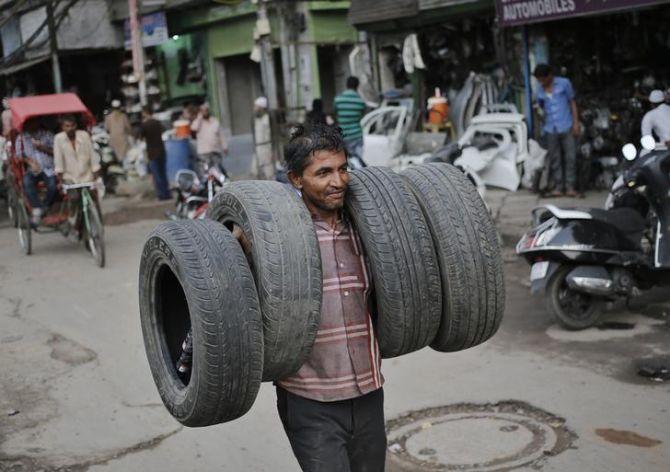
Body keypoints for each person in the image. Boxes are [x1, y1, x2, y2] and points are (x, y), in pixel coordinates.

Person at [278, 123, 386, 472]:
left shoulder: (368, 229)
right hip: (311, 400)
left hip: (369, 391)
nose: (337, 181)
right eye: (323, 173)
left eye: (343, 169)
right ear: (296, 179)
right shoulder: (276, 239)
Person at [533, 64, 580, 197]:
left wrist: (576, 123)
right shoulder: (539, 90)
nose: (541, 82)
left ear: (550, 76)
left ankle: (570, 187)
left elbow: (572, 103)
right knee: (555, 159)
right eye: (539, 80)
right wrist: (537, 112)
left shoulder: (564, 84)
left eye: (543, 79)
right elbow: (540, 110)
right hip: (550, 128)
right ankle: (559, 187)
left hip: (566, 125)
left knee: (571, 157)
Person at [16, 119, 56, 225]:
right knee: (26, 182)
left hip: (48, 168)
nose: (31, 125)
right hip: (33, 169)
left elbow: (56, 151)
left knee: (53, 185)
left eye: (33, 122)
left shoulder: (47, 135)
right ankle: (37, 208)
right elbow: (19, 155)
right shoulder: (21, 138)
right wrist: (29, 162)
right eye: (29, 123)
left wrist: (41, 147)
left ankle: (45, 207)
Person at [140, 107, 171, 200]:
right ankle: (167, 194)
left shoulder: (145, 125)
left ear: (145, 113)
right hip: (161, 150)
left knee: (157, 175)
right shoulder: (157, 123)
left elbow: (141, 137)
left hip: (152, 153)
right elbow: (164, 130)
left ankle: (161, 195)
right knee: (163, 174)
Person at [190, 103, 228, 177]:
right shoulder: (198, 122)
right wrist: (199, 118)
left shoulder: (214, 121)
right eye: (202, 111)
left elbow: (221, 135)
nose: (205, 112)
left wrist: (225, 147)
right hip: (204, 153)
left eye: (206, 110)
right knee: (206, 173)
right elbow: (193, 129)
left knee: (218, 172)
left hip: (215, 151)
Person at [334, 76, 367, 161]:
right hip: (357, 134)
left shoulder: (338, 100)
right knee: (359, 162)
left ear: (346, 85)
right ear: (357, 86)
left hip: (343, 135)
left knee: (345, 163)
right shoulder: (360, 101)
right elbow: (362, 115)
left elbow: (336, 114)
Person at [251, 96, 274, 180]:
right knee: (255, 172)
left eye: (256, 106)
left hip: (266, 149)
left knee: (269, 174)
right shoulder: (257, 120)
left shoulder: (266, 119)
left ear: (261, 108)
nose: (254, 108)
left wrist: (271, 151)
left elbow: (270, 136)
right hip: (258, 149)